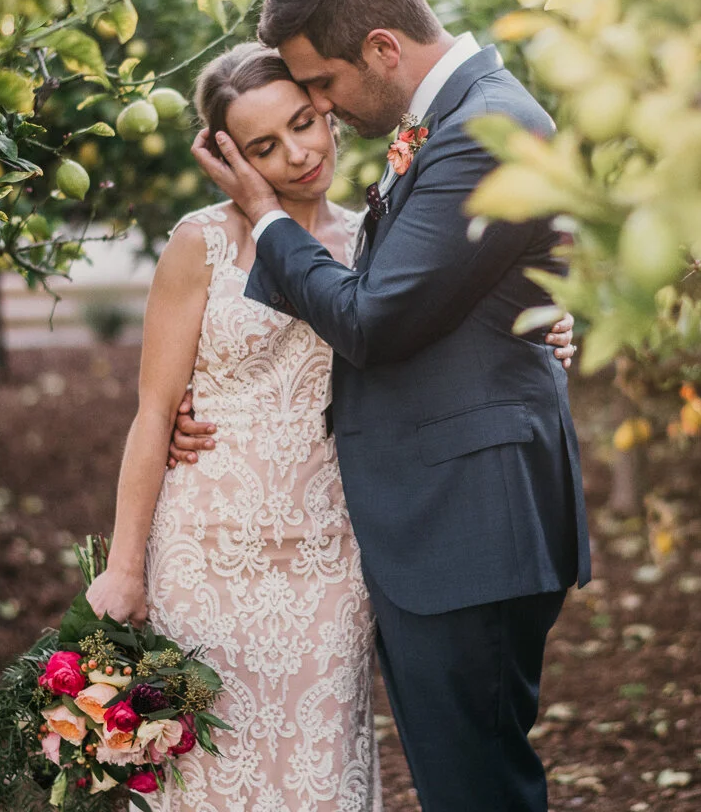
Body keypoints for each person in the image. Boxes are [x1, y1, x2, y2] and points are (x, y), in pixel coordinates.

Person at [84, 40, 576, 811]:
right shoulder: (200, 243)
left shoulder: (375, 237)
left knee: (320, 779)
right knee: (209, 777)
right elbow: (153, 413)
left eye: (305, 122)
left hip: (335, 560)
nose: (298, 153)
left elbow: (442, 311)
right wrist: (123, 564)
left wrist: (543, 326)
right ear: (229, 158)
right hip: (209, 556)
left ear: (331, 114)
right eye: (263, 146)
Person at [185, 0, 591, 812]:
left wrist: (264, 216)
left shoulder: (486, 127)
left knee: (478, 788)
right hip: (446, 521)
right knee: (464, 781)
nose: (322, 110)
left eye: (322, 88)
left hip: (468, 527)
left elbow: (374, 319)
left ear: (381, 49)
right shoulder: (458, 121)